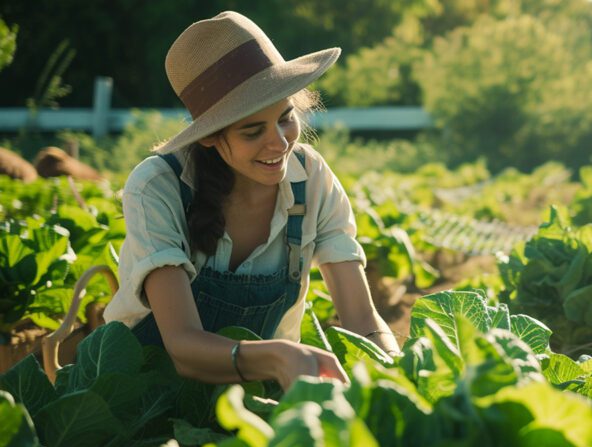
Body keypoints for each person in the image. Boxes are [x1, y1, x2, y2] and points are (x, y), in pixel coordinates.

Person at [103, 11, 400, 391]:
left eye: (285, 118)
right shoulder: (158, 187)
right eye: (252, 130)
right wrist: (279, 356)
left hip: (257, 390)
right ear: (209, 136)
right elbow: (181, 344)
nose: (279, 142)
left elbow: (363, 319)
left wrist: (397, 375)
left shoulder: (311, 179)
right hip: (141, 397)